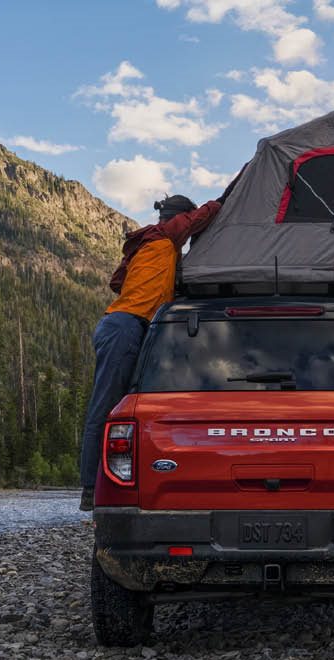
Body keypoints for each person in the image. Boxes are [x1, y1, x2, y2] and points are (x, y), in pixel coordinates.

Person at [79, 185, 232, 511]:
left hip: (125, 325)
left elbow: (118, 282)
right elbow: (204, 214)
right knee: (106, 408)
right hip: (124, 326)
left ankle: (109, 484)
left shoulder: (150, 248)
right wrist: (226, 198)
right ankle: (91, 489)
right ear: (177, 218)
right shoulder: (165, 235)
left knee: (123, 407)